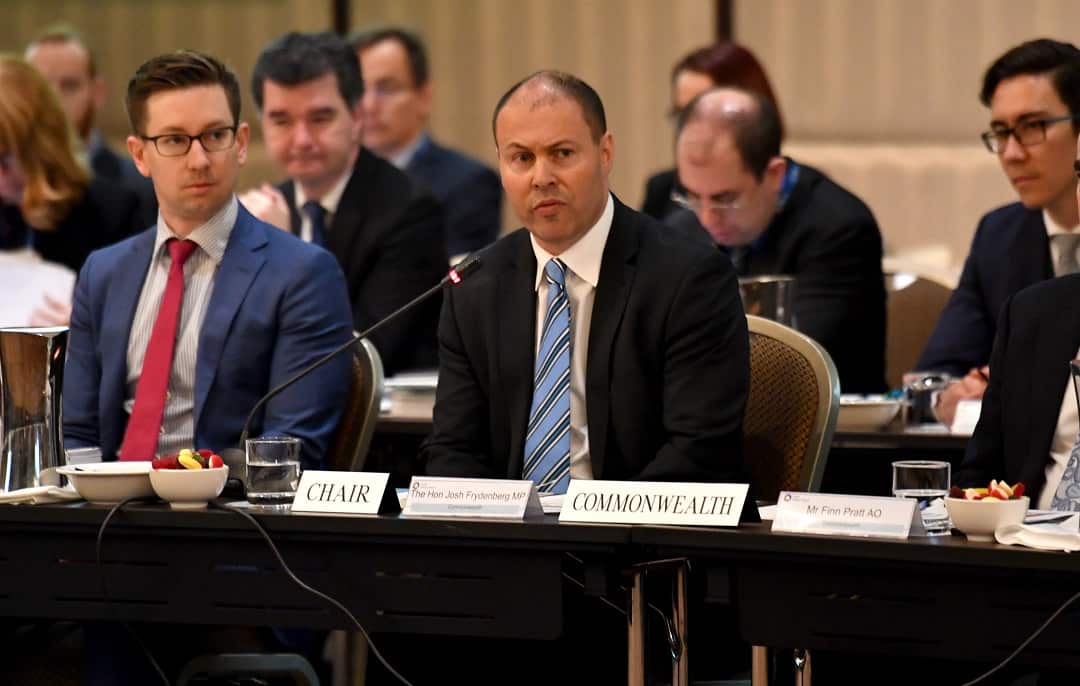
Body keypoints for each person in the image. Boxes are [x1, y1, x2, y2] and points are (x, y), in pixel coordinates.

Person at [420, 71, 752, 495]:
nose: (541, 177)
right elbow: (453, 450)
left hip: (639, 548)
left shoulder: (688, 278)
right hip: (511, 549)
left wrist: (591, 526)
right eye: (521, 158)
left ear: (605, 152)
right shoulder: (474, 285)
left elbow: (699, 452)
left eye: (561, 153)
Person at [63, 49, 353, 472]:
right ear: (139, 155)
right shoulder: (103, 273)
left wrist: (180, 485)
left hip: (224, 521)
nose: (199, 160)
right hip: (104, 516)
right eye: (175, 140)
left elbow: (290, 448)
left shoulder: (303, 275)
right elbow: (77, 433)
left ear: (240, 143)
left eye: (215, 136)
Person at [242, 31, 446, 375]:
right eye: (282, 121)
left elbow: (359, 357)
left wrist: (282, 257)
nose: (302, 140)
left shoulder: (409, 211)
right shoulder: (261, 210)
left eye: (320, 118)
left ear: (357, 116)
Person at [671, 87, 886, 393]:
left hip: (826, 431)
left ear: (774, 174)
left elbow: (795, 363)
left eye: (725, 199)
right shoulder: (681, 229)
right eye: (692, 196)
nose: (706, 218)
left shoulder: (840, 228)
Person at [916, 39, 1080, 426]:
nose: (1011, 153)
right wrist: (953, 396)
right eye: (1001, 132)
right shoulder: (999, 235)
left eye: (1032, 127)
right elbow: (937, 374)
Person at [0, 55, 143, 326]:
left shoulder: (113, 212)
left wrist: (89, 330)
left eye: (4, 161)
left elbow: (141, 326)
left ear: (39, 148)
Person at [351, 26, 502, 258]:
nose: (369, 105)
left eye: (386, 88)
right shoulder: (336, 181)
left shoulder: (468, 183)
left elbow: (461, 286)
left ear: (423, 96)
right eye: (359, 90)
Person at [642, 41, 784, 222]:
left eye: (724, 198)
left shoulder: (816, 214)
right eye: (681, 115)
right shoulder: (662, 190)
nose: (687, 129)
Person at [25, 24, 156, 217]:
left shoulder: (140, 188)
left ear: (97, 92)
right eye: (41, 87)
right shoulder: (9, 185)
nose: (54, 101)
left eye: (69, 85)